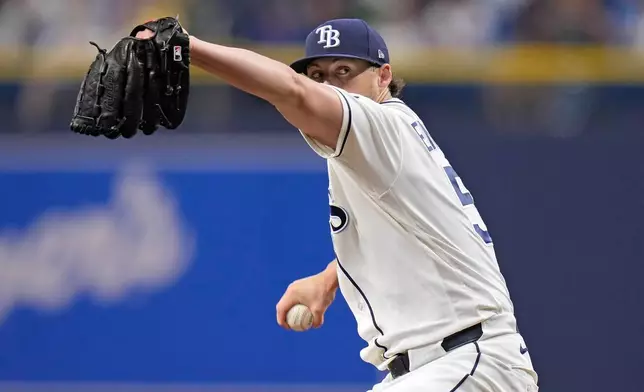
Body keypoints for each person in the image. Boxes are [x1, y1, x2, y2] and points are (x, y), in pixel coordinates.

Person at [138, 17, 539, 391]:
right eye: (319, 76)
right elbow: (410, 234)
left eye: (343, 72)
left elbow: (289, 90)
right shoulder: (380, 145)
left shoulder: (379, 125)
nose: (329, 85)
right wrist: (331, 278)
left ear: (383, 76)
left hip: (465, 362)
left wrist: (187, 48)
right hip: (447, 367)